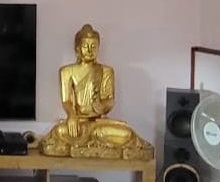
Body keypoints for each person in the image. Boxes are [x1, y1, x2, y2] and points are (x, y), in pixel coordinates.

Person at [42, 23, 154, 160]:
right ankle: (94, 141)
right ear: (77, 49)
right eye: (85, 46)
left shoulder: (106, 71)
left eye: (93, 46)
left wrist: (102, 106)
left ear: (98, 48)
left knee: (125, 133)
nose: (90, 50)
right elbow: (66, 101)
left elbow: (110, 100)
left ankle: (90, 141)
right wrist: (71, 115)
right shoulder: (67, 71)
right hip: (79, 122)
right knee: (59, 131)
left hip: (100, 123)